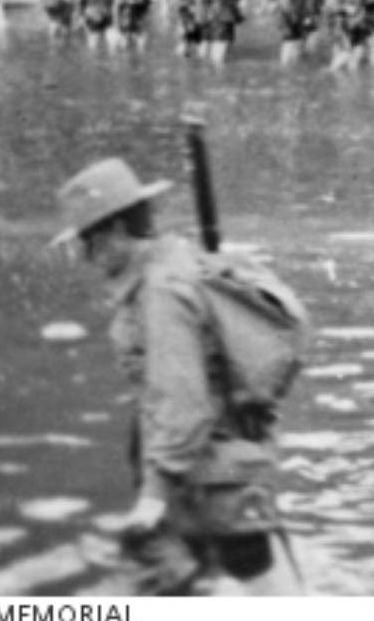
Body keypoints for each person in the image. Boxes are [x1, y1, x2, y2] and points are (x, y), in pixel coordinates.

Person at [51, 159, 302, 596]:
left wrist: (152, 496)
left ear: (116, 232)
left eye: (89, 243)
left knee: (253, 587)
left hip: (206, 479)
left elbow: (182, 404)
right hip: (216, 467)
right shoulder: (176, 261)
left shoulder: (161, 292)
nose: (87, 257)